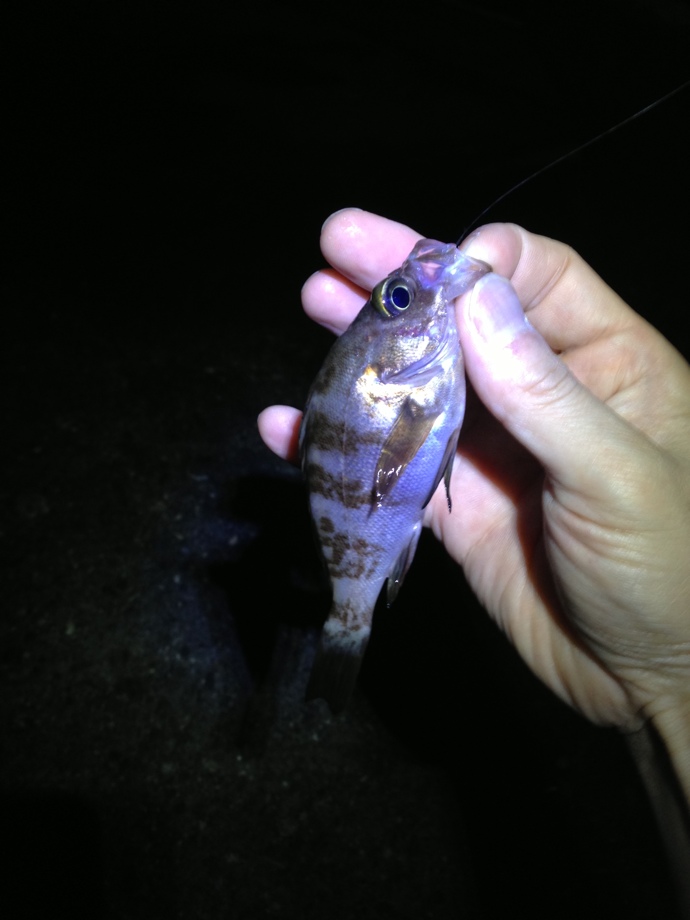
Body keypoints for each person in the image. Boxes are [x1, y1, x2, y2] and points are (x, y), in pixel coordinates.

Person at [257, 208, 690, 810]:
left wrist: (669, 686)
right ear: (381, 362)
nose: (410, 291)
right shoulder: (409, 375)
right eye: (399, 299)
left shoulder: (416, 366)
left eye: (398, 295)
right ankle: (348, 626)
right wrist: (668, 688)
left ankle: (346, 627)